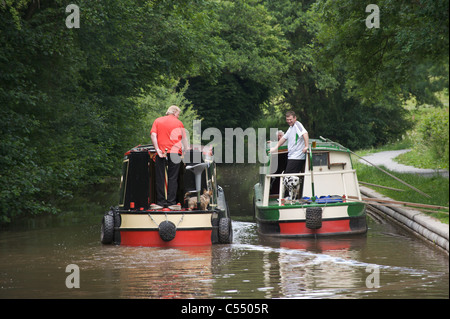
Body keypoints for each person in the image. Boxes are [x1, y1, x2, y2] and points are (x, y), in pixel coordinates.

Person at [151, 105, 189, 207]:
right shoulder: (179, 123)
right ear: (174, 112)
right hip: (175, 153)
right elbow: (184, 140)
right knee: (173, 177)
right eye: (178, 114)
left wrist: (157, 149)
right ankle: (171, 202)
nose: (178, 116)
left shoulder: (157, 121)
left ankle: (161, 202)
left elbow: (153, 135)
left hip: (161, 152)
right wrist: (185, 151)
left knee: (160, 177)